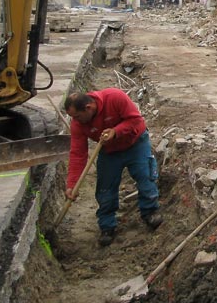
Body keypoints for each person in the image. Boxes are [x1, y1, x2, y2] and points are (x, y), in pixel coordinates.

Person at [64, 88, 163, 246]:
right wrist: (72, 184)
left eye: (77, 116)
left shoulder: (115, 97)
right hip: (109, 152)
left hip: (135, 143)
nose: (75, 120)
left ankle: (150, 211)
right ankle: (107, 226)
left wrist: (116, 131)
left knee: (146, 177)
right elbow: (77, 154)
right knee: (105, 189)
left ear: (88, 108)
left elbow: (136, 120)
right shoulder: (78, 124)